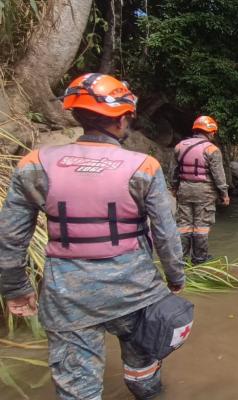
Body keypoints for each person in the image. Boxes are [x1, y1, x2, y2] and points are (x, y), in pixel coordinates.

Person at [0, 73, 185, 400]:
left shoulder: (34, 164)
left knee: (78, 389)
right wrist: (175, 277)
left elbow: (11, 237)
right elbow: (165, 233)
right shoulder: (144, 166)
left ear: (76, 114)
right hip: (136, 292)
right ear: (122, 119)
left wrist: (16, 288)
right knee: (143, 369)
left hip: (69, 298)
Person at [172, 115, 229, 264]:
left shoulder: (179, 146)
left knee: (183, 225)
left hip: (184, 190)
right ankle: (199, 258)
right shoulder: (212, 149)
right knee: (201, 226)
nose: (213, 135)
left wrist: (174, 188)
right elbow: (219, 175)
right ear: (209, 132)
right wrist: (224, 194)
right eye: (213, 132)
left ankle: (181, 259)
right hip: (205, 192)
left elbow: (174, 171)